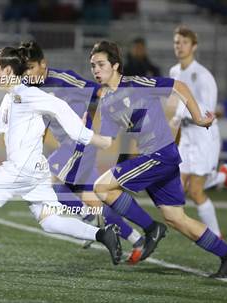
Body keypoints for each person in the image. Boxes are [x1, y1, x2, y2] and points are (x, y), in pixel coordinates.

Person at [0, 47, 121, 270]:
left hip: (21, 169)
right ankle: (103, 234)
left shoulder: (28, 95)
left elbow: (60, 107)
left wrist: (90, 137)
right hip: (35, 170)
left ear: (7, 69)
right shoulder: (12, 97)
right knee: (50, 222)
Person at [88, 40, 227, 278]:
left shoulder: (136, 84)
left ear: (116, 65)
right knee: (176, 217)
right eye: (93, 66)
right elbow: (109, 141)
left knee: (101, 186)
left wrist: (198, 117)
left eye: (100, 64)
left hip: (160, 154)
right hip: (157, 158)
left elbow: (178, 86)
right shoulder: (108, 102)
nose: (96, 70)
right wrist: (82, 135)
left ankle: (151, 229)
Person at [19, 40, 145, 263]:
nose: (27, 73)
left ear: (42, 64)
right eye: (24, 69)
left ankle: (88, 218)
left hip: (78, 144)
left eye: (30, 67)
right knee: (92, 199)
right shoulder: (32, 87)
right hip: (70, 147)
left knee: (47, 184)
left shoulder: (62, 79)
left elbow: (101, 91)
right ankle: (136, 239)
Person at [169, 26, 227, 238]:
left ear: (194, 46)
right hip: (187, 137)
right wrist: (175, 116)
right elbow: (177, 103)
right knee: (178, 187)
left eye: (184, 42)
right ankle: (222, 176)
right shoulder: (174, 71)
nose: (179, 46)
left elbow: (209, 114)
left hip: (204, 136)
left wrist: (183, 117)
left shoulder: (202, 76)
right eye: (176, 42)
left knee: (195, 191)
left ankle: (216, 236)